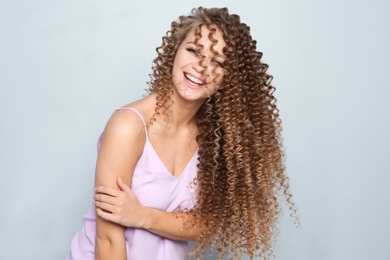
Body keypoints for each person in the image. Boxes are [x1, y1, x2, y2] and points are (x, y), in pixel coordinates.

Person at [67, 6, 295, 260]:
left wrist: (142, 215)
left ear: (229, 79)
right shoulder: (128, 126)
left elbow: (205, 225)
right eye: (193, 50)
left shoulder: (214, 140)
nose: (201, 67)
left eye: (218, 62)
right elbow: (107, 240)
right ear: (174, 51)